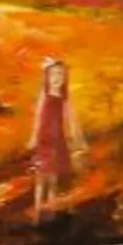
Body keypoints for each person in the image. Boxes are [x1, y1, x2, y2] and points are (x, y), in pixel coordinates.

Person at [29, 56, 81, 219]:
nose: (57, 78)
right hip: (44, 139)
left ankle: (50, 209)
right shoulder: (44, 94)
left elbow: (71, 117)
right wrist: (33, 137)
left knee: (53, 176)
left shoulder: (64, 97)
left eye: (60, 75)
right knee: (41, 175)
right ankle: (38, 209)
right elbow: (38, 116)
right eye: (53, 74)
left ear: (64, 78)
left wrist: (74, 135)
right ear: (47, 77)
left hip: (58, 139)